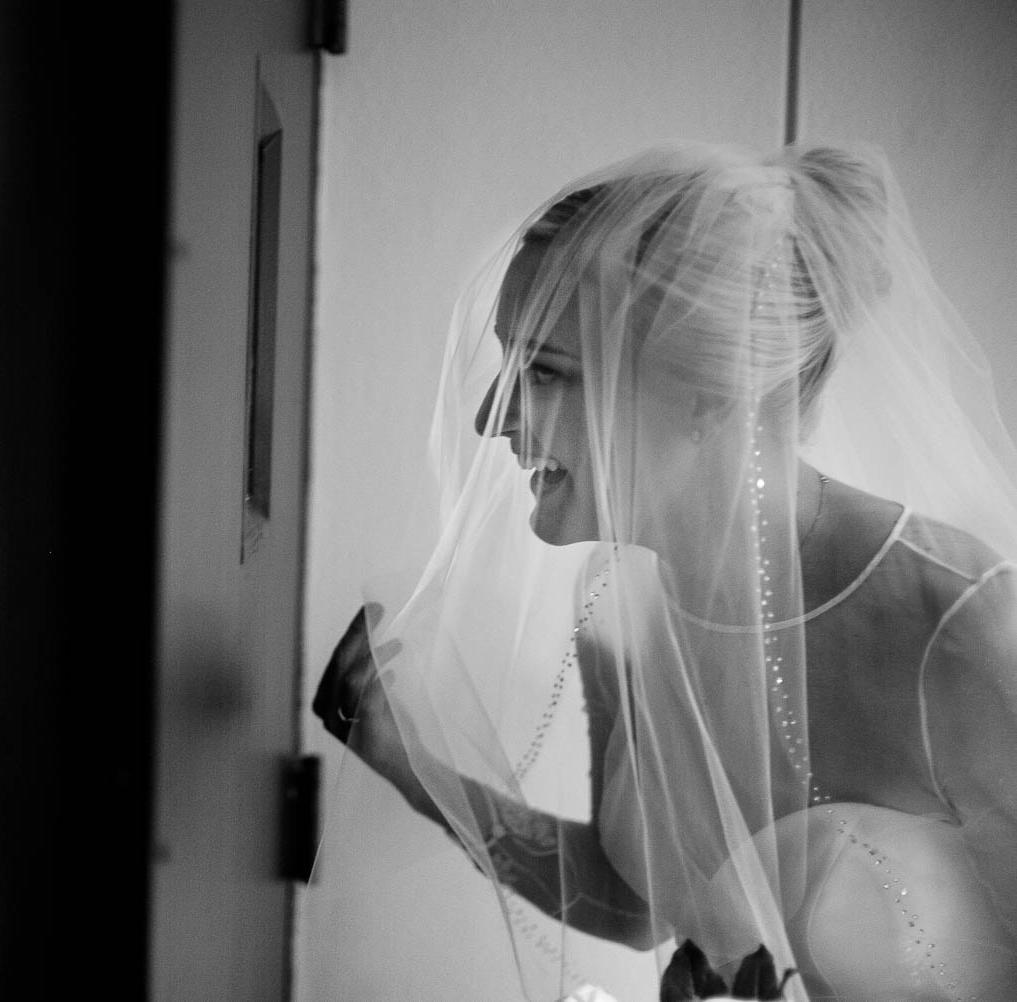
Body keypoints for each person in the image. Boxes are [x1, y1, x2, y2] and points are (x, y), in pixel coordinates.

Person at [311, 143, 1017, 1001]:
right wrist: (414, 766)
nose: (490, 415)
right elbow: (638, 898)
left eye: (547, 371)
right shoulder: (617, 604)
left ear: (707, 397)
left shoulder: (956, 629)